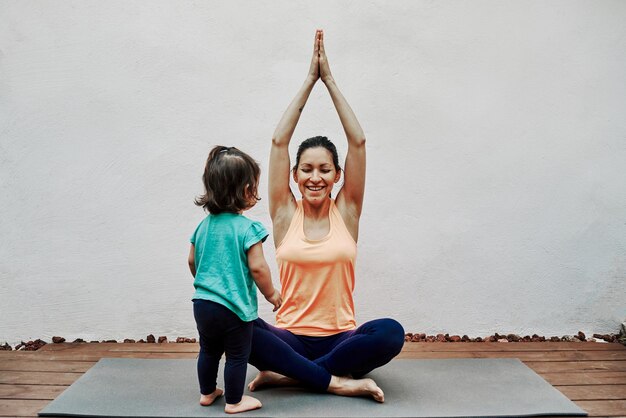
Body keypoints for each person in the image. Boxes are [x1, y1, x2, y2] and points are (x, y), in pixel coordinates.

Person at [247, 30, 405, 403]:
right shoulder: (285, 214)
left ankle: (292, 376)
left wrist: (329, 81)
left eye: (324, 170)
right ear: (295, 175)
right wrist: (308, 81)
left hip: (342, 337)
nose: (315, 177)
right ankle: (335, 380)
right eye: (306, 170)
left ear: (337, 175)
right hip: (288, 336)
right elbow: (278, 143)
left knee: (390, 332)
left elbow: (359, 143)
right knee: (234, 325)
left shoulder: (347, 212)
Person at [188, 146, 282, 414]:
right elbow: (258, 268)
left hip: (203, 303)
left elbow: (192, 261)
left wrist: (207, 284)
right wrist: (271, 293)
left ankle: (207, 393)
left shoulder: (202, 227)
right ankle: (234, 401)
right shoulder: (248, 228)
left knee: (208, 350)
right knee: (237, 355)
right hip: (233, 308)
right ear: (244, 191)